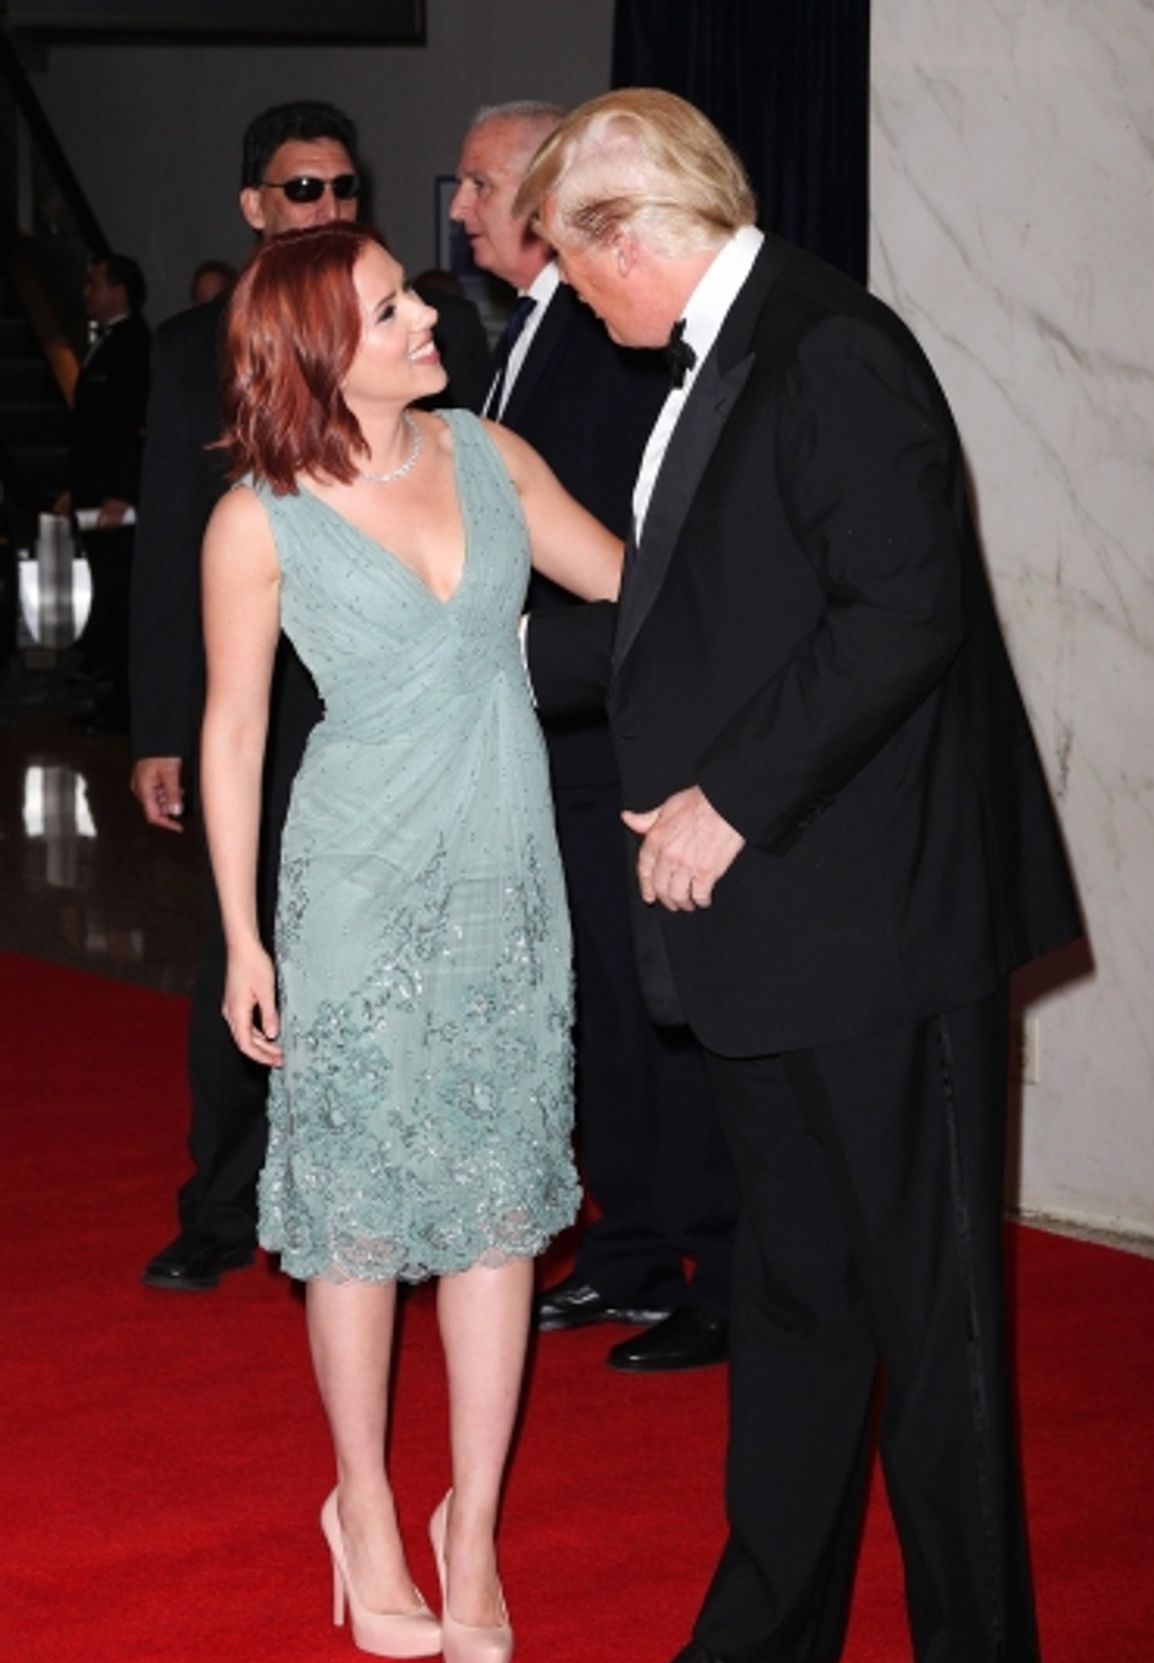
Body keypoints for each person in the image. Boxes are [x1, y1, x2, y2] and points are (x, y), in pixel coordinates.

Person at [517, 91, 1082, 1663]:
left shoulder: (831, 345)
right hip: (772, 927)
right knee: (793, 1287)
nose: (576, 301)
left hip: (879, 914)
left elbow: (903, 613)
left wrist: (725, 803)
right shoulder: (723, 346)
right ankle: (773, 1627)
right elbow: (705, 615)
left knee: (935, 1312)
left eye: (570, 258)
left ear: (633, 233)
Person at [201, 221, 622, 1663]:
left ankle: (474, 1525)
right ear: (323, 351)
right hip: (357, 887)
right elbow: (237, 731)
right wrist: (244, 939)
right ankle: (367, 1508)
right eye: (389, 309)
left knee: (502, 1206)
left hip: (508, 877)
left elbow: (633, 585)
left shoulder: (491, 457)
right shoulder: (258, 519)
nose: (423, 317)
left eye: (412, 296)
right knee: (365, 1219)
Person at [130, 99, 486, 1295]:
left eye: (342, 191)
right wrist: (159, 730)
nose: (326, 209)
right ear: (253, 207)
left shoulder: (411, 341)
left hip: (388, 704)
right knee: (248, 956)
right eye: (301, 193)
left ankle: (410, 1192)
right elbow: (170, 547)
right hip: (261, 710)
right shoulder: (190, 352)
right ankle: (222, 1203)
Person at [451, 101, 737, 1373]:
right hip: (557, 739)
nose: (458, 210)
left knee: (662, 1012)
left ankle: (718, 1269)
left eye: (474, 187)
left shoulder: (618, 332)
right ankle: (628, 1247)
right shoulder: (529, 327)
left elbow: (638, 559)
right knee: (599, 1018)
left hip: (618, 735)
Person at [55, 253, 151, 734]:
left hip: (116, 507)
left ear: (119, 289)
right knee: (109, 597)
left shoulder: (134, 346)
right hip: (96, 498)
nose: (86, 293)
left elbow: (132, 429)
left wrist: (119, 493)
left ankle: (126, 704)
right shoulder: (107, 344)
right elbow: (91, 431)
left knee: (120, 600)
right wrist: (77, 487)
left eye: (94, 283)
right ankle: (113, 696)